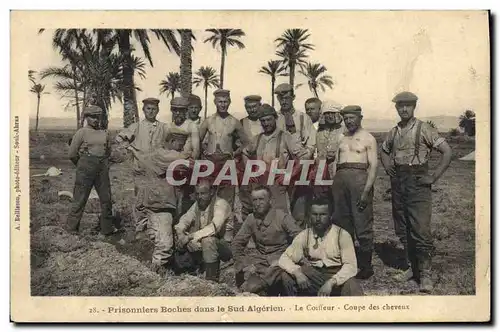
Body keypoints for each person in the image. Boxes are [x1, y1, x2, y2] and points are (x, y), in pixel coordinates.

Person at [380, 91, 452, 293]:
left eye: (408, 106)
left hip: (418, 182)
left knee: (420, 229)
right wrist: (387, 167)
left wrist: (433, 177)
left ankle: (425, 274)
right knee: (402, 228)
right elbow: (384, 151)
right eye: (400, 106)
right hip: (399, 183)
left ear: (414, 107)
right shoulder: (393, 132)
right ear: (396, 108)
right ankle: (412, 268)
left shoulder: (424, 128)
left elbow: (447, 152)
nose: (404, 109)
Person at [274, 197, 364, 296]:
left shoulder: (342, 235)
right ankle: (296, 307)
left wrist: (331, 283)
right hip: (314, 275)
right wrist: (297, 273)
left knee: (352, 285)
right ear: (310, 215)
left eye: (322, 215)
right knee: (286, 276)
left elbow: (350, 266)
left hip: (336, 276)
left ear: (330, 216)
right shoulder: (305, 235)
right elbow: (284, 258)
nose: (318, 219)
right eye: (314, 214)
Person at [332, 105, 378, 279]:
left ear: (360, 117)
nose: (349, 121)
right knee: (341, 223)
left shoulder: (368, 139)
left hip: (359, 181)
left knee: (362, 222)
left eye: (352, 118)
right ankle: (347, 263)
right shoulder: (341, 138)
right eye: (346, 118)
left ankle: (366, 266)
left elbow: (373, 166)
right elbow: (335, 163)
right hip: (340, 179)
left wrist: (366, 191)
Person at [231, 185, 303, 294]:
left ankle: (262, 285)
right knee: (252, 288)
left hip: (280, 260)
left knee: (257, 286)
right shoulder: (251, 218)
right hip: (259, 262)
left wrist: (288, 256)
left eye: (261, 199)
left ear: (270, 200)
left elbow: (300, 238)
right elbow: (237, 243)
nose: (258, 203)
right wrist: (243, 264)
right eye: (254, 200)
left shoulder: (282, 217)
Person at [115, 98, 172, 236]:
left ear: (157, 110)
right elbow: (119, 138)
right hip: (140, 169)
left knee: (156, 198)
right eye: (148, 108)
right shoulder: (136, 126)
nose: (151, 111)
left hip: (158, 170)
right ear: (143, 110)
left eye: (153, 109)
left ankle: (154, 228)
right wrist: (128, 148)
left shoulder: (164, 127)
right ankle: (141, 227)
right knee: (141, 199)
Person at [242, 104, 310, 217]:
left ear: (275, 118)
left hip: (277, 182)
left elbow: (303, 157)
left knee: (279, 215)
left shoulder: (285, 136)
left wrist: (289, 174)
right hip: (260, 182)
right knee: (259, 214)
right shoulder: (257, 138)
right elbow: (245, 153)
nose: (266, 123)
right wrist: (249, 170)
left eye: (269, 119)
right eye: (263, 121)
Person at [199, 89, 249, 241]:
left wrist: (235, 154)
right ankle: (208, 231)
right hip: (210, 163)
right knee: (209, 197)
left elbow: (246, 143)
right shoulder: (208, 121)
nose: (223, 104)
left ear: (230, 102)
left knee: (228, 199)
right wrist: (204, 156)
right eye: (220, 101)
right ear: (215, 102)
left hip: (227, 163)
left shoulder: (234, 122)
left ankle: (227, 233)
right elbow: (197, 141)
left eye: (225, 101)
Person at [66, 105, 120, 236]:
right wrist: (82, 165)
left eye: (98, 117)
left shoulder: (104, 133)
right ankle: (71, 230)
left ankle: (107, 229)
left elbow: (108, 151)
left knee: (106, 199)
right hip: (85, 168)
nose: (96, 120)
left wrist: (104, 164)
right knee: (80, 199)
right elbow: (72, 153)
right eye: (92, 117)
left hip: (102, 168)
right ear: (86, 118)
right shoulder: (81, 132)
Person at [173, 180, 233, 282]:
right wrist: (181, 235)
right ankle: (189, 271)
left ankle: (212, 279)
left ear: (211, 192)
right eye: (197, 194)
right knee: (182, 237)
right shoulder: (198, 205)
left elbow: (214, 228)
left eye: (203, 193)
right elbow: (184, 220)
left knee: (207, 240)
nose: (200, 196)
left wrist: (190, 237)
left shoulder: (221, 204)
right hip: (204, 243)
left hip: (223, 246)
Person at [274, 83, 316, 225]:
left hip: (300, 169)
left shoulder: (304, 118)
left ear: (293, 97)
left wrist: (297, 168)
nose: (284, 101)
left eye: (286, 97)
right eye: (280, 98)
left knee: (300, 210)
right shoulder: (274, 118)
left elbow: (310, 146)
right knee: (279, 210)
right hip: (279, 169)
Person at [239, 95, 264, 222]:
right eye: (249, 107)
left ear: (260, 105)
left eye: (254, 107)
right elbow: (237, 144)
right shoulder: (242, 123)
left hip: (265, 165)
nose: (252, 110)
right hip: (247, 165)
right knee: (247, 200)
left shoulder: (265, 121)